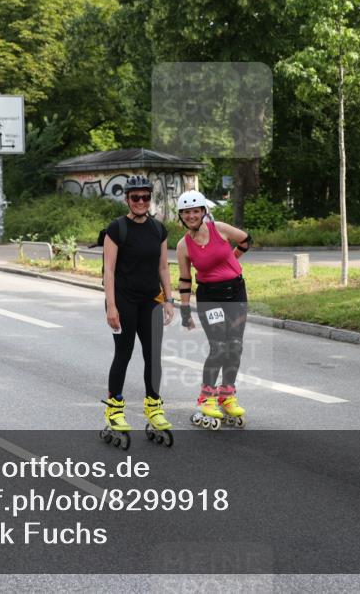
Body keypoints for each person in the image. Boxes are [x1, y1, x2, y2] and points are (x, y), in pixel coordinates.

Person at [101, 175, 176, 448]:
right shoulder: (117, 228)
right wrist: (111, 306)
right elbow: (108, 270)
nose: (141, 202)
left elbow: (164, 267)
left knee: (153, 355)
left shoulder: (158, 229)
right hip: (123, 300)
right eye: (136, 198)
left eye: (145, 197)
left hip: (151, 300)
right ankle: (114, 410)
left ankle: (154, 407)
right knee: (124, 353)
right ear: (127, 200)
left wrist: (169, 299)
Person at [175, 190, 252, 429]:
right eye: (186, 212)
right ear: (181, 216)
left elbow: (246, 240)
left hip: (235, 293)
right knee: (219, 346)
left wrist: (232, 258)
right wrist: (185, 311)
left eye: (195, 211)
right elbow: (185, 280)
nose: (191, 216)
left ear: (203, 212)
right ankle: (206, 397)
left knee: (235, 346)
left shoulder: (219, 228)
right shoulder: (183, 246)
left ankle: (227, 395)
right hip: (209, 297)